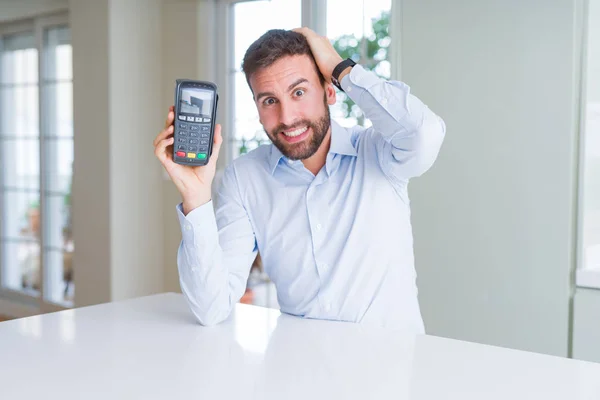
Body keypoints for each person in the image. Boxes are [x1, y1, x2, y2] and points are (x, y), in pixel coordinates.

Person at [153, 28, 446, 332]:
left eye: (299, 92)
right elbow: (211, 308)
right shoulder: (245, 178)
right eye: (269, 100)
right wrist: (195, 197)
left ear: (330, 91)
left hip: (391, 370)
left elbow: (424, 134)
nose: (287, 117)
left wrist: (338, 66)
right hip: (297, 369)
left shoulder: (380, 153)